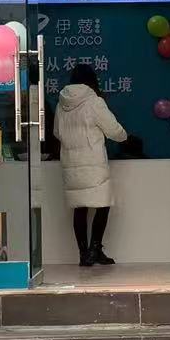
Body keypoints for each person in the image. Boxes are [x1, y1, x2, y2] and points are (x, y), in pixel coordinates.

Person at [54, 63, 127, 267]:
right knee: (103, 204)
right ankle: (95, 249)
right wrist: (124, 136)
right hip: (93, 162)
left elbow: (57, 132)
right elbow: (113, 129)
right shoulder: (94, 102)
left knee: (80, 208)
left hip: (71, 161)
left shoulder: (61, 104)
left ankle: (84, 254)